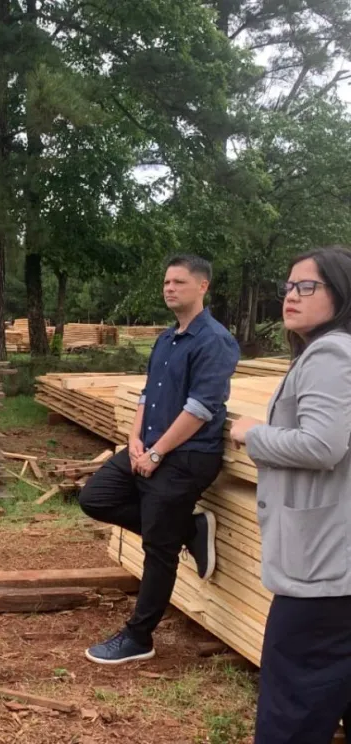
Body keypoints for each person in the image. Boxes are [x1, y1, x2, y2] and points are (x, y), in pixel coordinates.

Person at [78, 254, 240, 665]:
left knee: (158, 548)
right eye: (167, 282)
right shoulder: (167, 339)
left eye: (179, 282)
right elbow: (148, 394)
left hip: (187, 457)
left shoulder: (215, 341)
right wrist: (134, 439)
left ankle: (139, 638)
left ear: (202, 286)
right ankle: (185, 528)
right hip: (148, 447)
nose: (170, 288)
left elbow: (200, 409)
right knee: (95, 498)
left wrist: (156, 451)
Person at [230, 247, 351, 744]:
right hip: (337, 565)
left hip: (321, 573)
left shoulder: (330, 354)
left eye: (307, 286)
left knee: (292, 710)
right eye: (288, 286)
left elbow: (323, 445)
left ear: (341, 294)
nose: (291, 296)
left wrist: (252, 434)